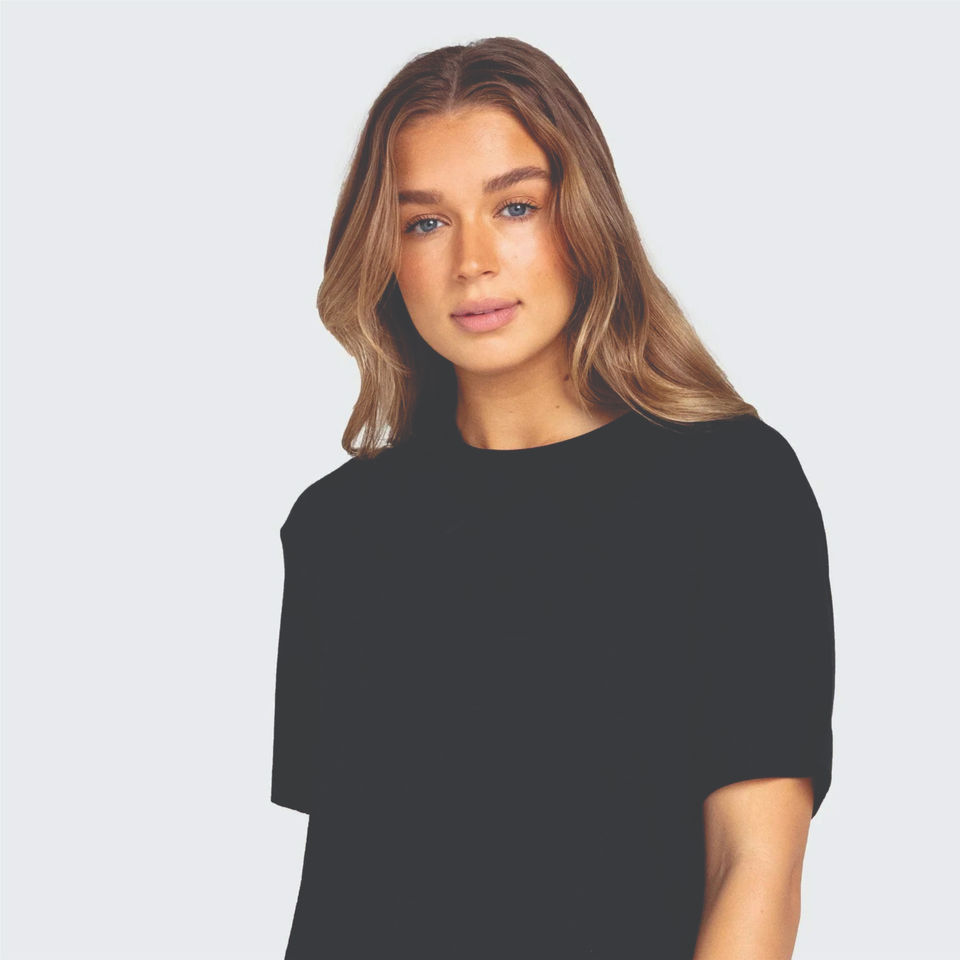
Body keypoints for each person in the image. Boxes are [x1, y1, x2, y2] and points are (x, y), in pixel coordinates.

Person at [271, 36, 835, 960]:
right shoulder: (340, 528)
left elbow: (754, 869)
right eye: (425, 222)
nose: (473, 261)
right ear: (385, 254)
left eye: (515, 206)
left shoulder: (732, 490)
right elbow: (347, 884)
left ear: (585, 219)